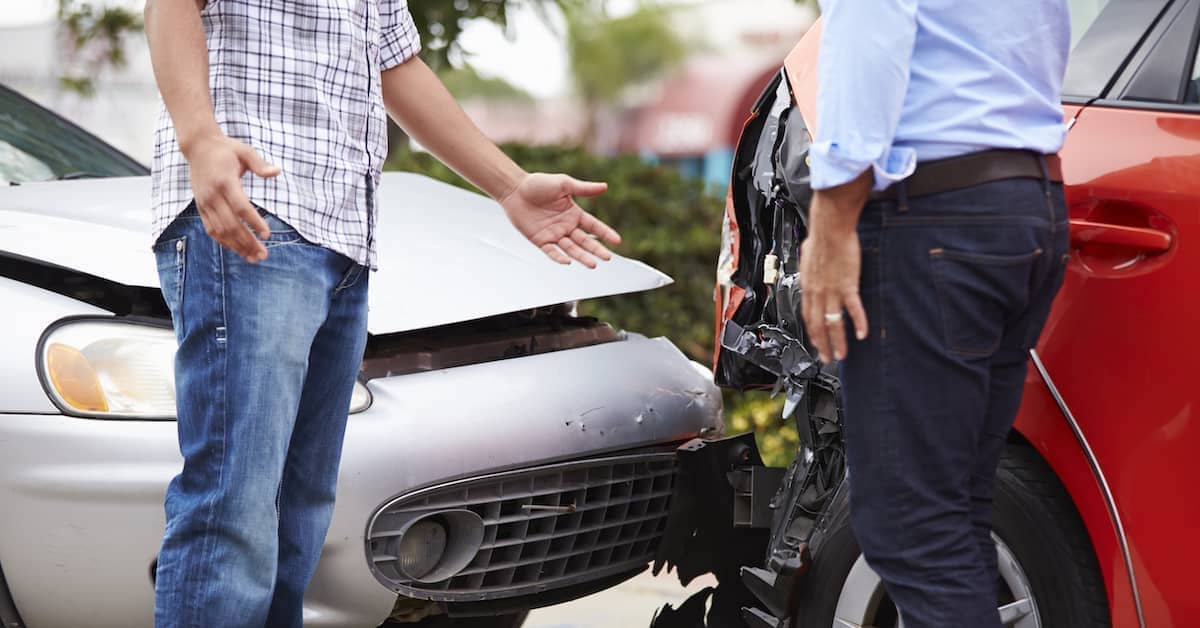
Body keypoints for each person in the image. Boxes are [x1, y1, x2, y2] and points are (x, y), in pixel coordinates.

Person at [142, 1, 620, 625]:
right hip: (252, 217)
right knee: (233, 505)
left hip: (342, 240)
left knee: (298, 514)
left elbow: (396, 65)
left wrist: (508, 185)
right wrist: (200, 137)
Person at [797, 1, 1070, 626]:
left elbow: (872, 25)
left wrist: (832, 218)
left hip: (936, 216)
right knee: (955, 514)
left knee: (912, 525)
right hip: (1026, 204)